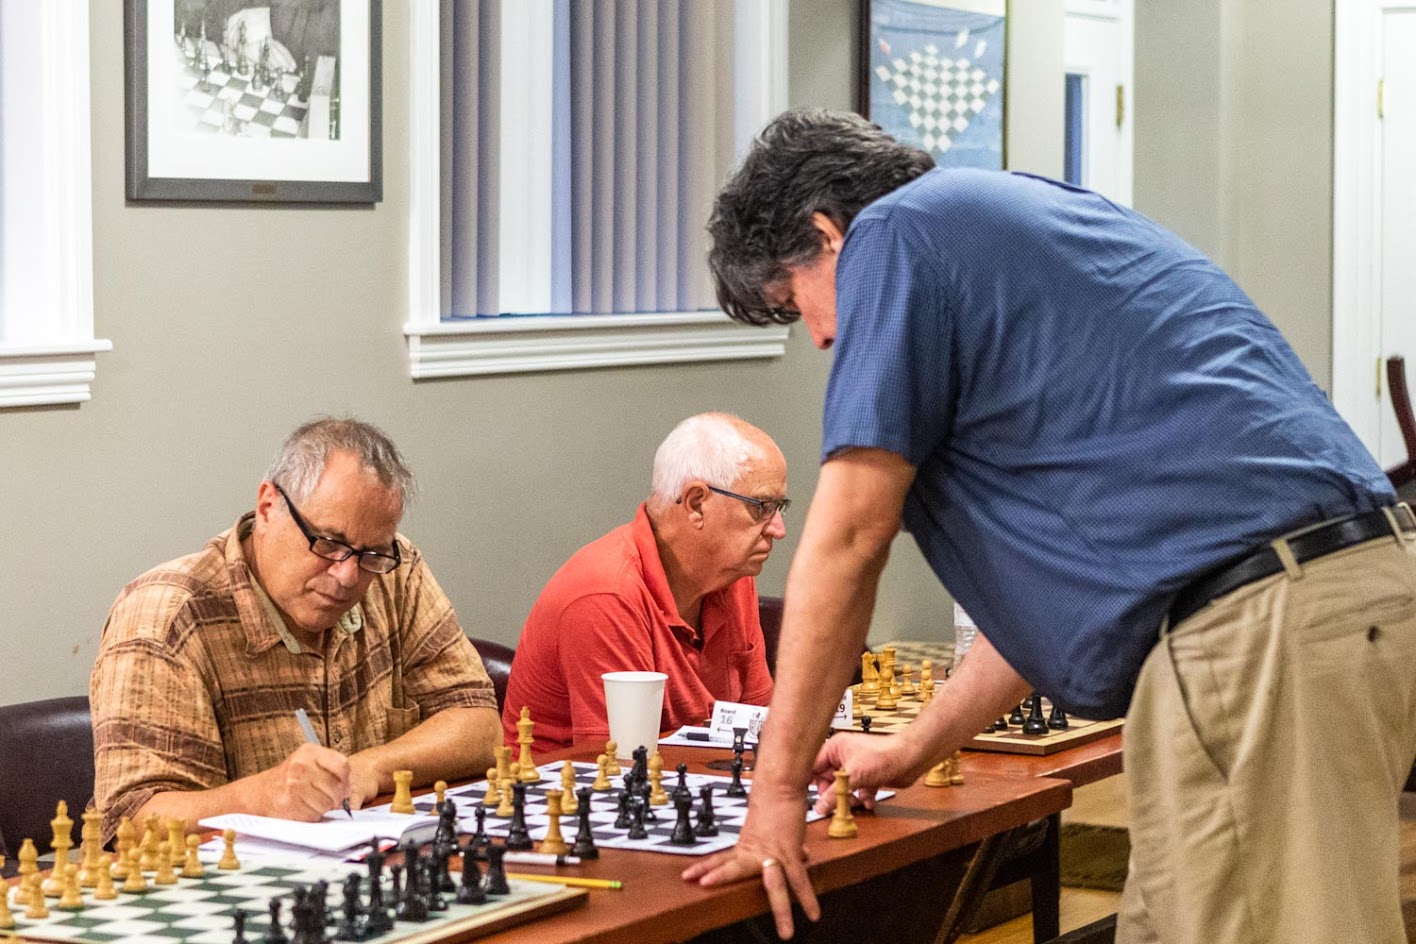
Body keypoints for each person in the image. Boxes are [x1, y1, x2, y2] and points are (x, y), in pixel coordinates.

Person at [682, 108, 1416, 944]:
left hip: (1255, 625)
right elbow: (1058, 605)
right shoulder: (1023, 217)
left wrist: (776, 795)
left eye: (793, 299)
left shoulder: (894, 235)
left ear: (827, 234)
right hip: (1336, 589)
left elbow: (850, 537)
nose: (818, 336)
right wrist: (915, 748)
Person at [91, 418, 501, 842]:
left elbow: (480, 726)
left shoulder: (394, 571)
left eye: (370, 554)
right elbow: (129, 821)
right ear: (268, 507)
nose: (346, 575)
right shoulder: (165, 617)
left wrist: (371, 768)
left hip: (359, 863)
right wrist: (260, 797)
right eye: (328, 543)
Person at [501, 413, 784, 750]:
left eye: (780, 508)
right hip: (575, 781)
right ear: (696, 503)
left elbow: (760, 730)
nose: (778, 529)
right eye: (762, 507)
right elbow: (620, 763)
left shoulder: (733, 578)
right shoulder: (606, 595)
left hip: (691, 774)